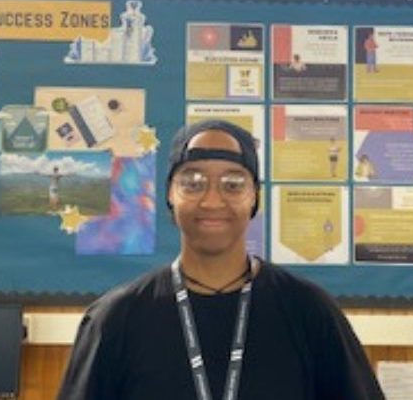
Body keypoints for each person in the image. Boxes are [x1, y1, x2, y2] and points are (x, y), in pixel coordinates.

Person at [57, 119, 385, 400]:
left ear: (254, 196)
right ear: (170, 193)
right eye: (193, 182)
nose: (213, 200)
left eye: (233, 183)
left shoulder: (309, 312)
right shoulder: (114, 320)